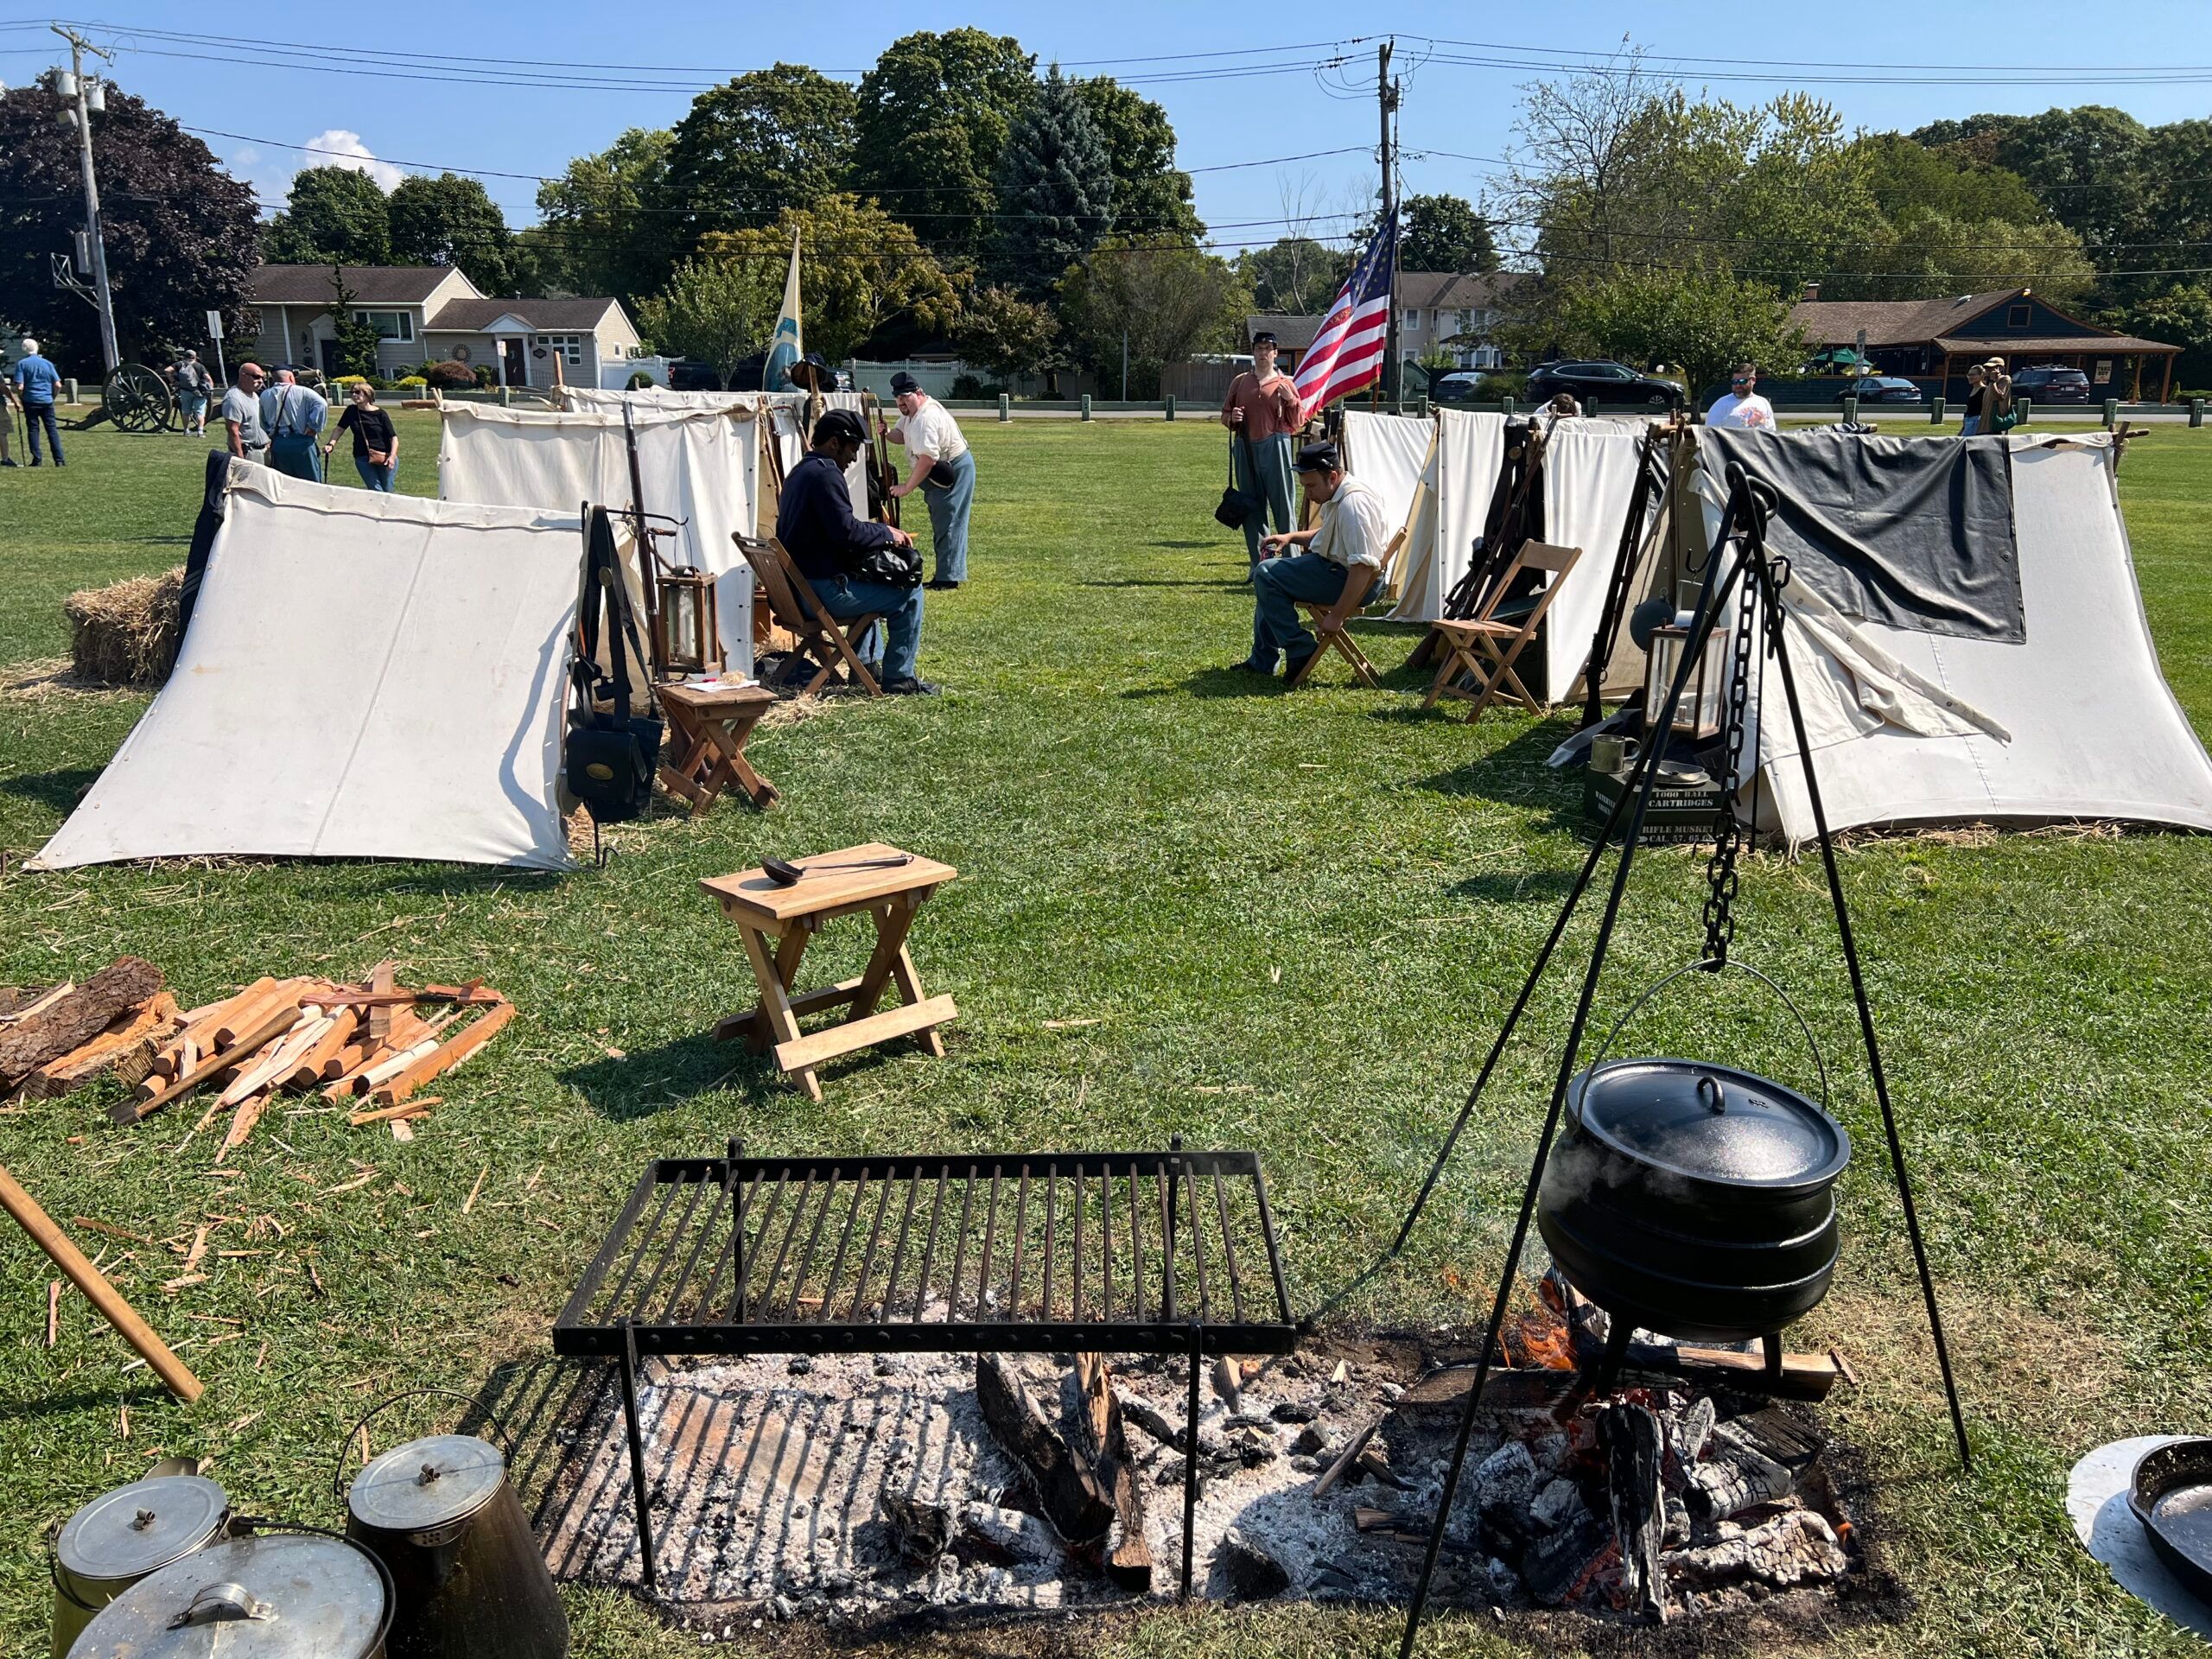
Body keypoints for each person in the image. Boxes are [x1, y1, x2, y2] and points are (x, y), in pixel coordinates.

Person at [776, 409, 937, 696]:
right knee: (910, 593)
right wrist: (887, 533)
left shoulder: (801, 472)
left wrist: (878, 532)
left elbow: (839, 528)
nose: (853, 457)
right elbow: (847, 533)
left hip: (797, 593)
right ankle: (899, 677)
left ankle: (865, 667)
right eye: (852, 449)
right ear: (834, 443)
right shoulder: (826, 475)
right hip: (821, 594)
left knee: (872, 579)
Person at [1236, 440, 1394, 682]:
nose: (1308, 494)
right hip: (1338, 571)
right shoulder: (1341, 492)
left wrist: (1337, 616)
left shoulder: (1353, 506)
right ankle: (1263, 659)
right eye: (1304, 486)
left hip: (1353, 581)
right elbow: (1329, 534)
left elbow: (1362, 568)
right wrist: (1290, 537)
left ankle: (1300, 649)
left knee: (1267, 575)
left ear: (1332, 476)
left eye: (1311, 486)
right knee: (1268, 576)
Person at [1220, 331, 1304, 660]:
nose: (1262, 354)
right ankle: (1260, 567)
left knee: (1283, 508)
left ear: (1275, 353)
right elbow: (1225, 415)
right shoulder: (1240, 382)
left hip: (1276, 446)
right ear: (1253, 352)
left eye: (1267, 349)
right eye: (1258, 349)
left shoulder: (1285, 383)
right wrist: (1232, 419)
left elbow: (1298, 421)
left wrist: (1290, 401)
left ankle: (1292, 565)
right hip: (1246, 448)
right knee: (1252, 512)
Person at [882, 370, 975, 590]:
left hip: (952, 470)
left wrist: (906, 487)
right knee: (942, 520)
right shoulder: (910, 413)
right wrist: (886, 432)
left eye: (905, 396)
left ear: (919, 393)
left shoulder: (926, 418)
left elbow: (927, 460)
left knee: (949, 522)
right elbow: (901, 435)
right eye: (898, 397)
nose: (901, 401)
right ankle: (945, 573)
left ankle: (947, 578)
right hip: (937, 472)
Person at [324, 381, 398, 491]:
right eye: (352, 392)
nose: (354, 395)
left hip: (385, 456)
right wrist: (331, 444)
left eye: (358, 392)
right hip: (362, 456)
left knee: (387, 489)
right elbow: (339, 429)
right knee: (375, 489)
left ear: (368, 394)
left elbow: (394, 438)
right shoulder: (351, 411)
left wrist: (392, 457)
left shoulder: (381, 414)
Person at [260, 365, 327, 481]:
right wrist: (313, 427)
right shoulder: (303, 391)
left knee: (285, 483)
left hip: (278, 443)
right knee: (311, 484)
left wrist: (269, 432)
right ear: (291, 377)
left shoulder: (264, 395)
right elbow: (322, 404)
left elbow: (262, 419)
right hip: (302, 442)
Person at [10, 337, 65, 467]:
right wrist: (52, 397)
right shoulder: (48, 364)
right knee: (52, 429)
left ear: (24, 349)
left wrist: (21, 398)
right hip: (47, 400)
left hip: (30, 401)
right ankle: (59, 460)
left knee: (33, 429)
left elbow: (20, 387)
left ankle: (37, 459)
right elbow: (58, 385)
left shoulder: (22, 364)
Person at [221, 361, 270, 463]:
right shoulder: (234, 398)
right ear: (244, 376)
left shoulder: (254, 395)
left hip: (263, 450)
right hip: (248, 453)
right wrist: (240, 458)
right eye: (256, 377)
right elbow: (233, 430)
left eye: (263, 378)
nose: (261, 381)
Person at [1705, 363, 1776, 430]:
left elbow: (1771, 432)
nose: (1738, 385)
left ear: (1753, 380)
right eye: (1734, 382)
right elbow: (1710, 434)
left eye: (1742, 381)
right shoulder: (1721, 405)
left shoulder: (1763, 403)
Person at [175, 350, 216, 435]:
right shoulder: (200, 366)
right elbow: (208, 378)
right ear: (195, 357)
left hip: (185, 391)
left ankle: (186, 431)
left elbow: (167, 370)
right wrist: (210, 389)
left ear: (185, 356)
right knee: (200, 413)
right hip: (199, 392)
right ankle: (200, 431)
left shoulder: (180, 365)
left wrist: (173, 381)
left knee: (186, 412)